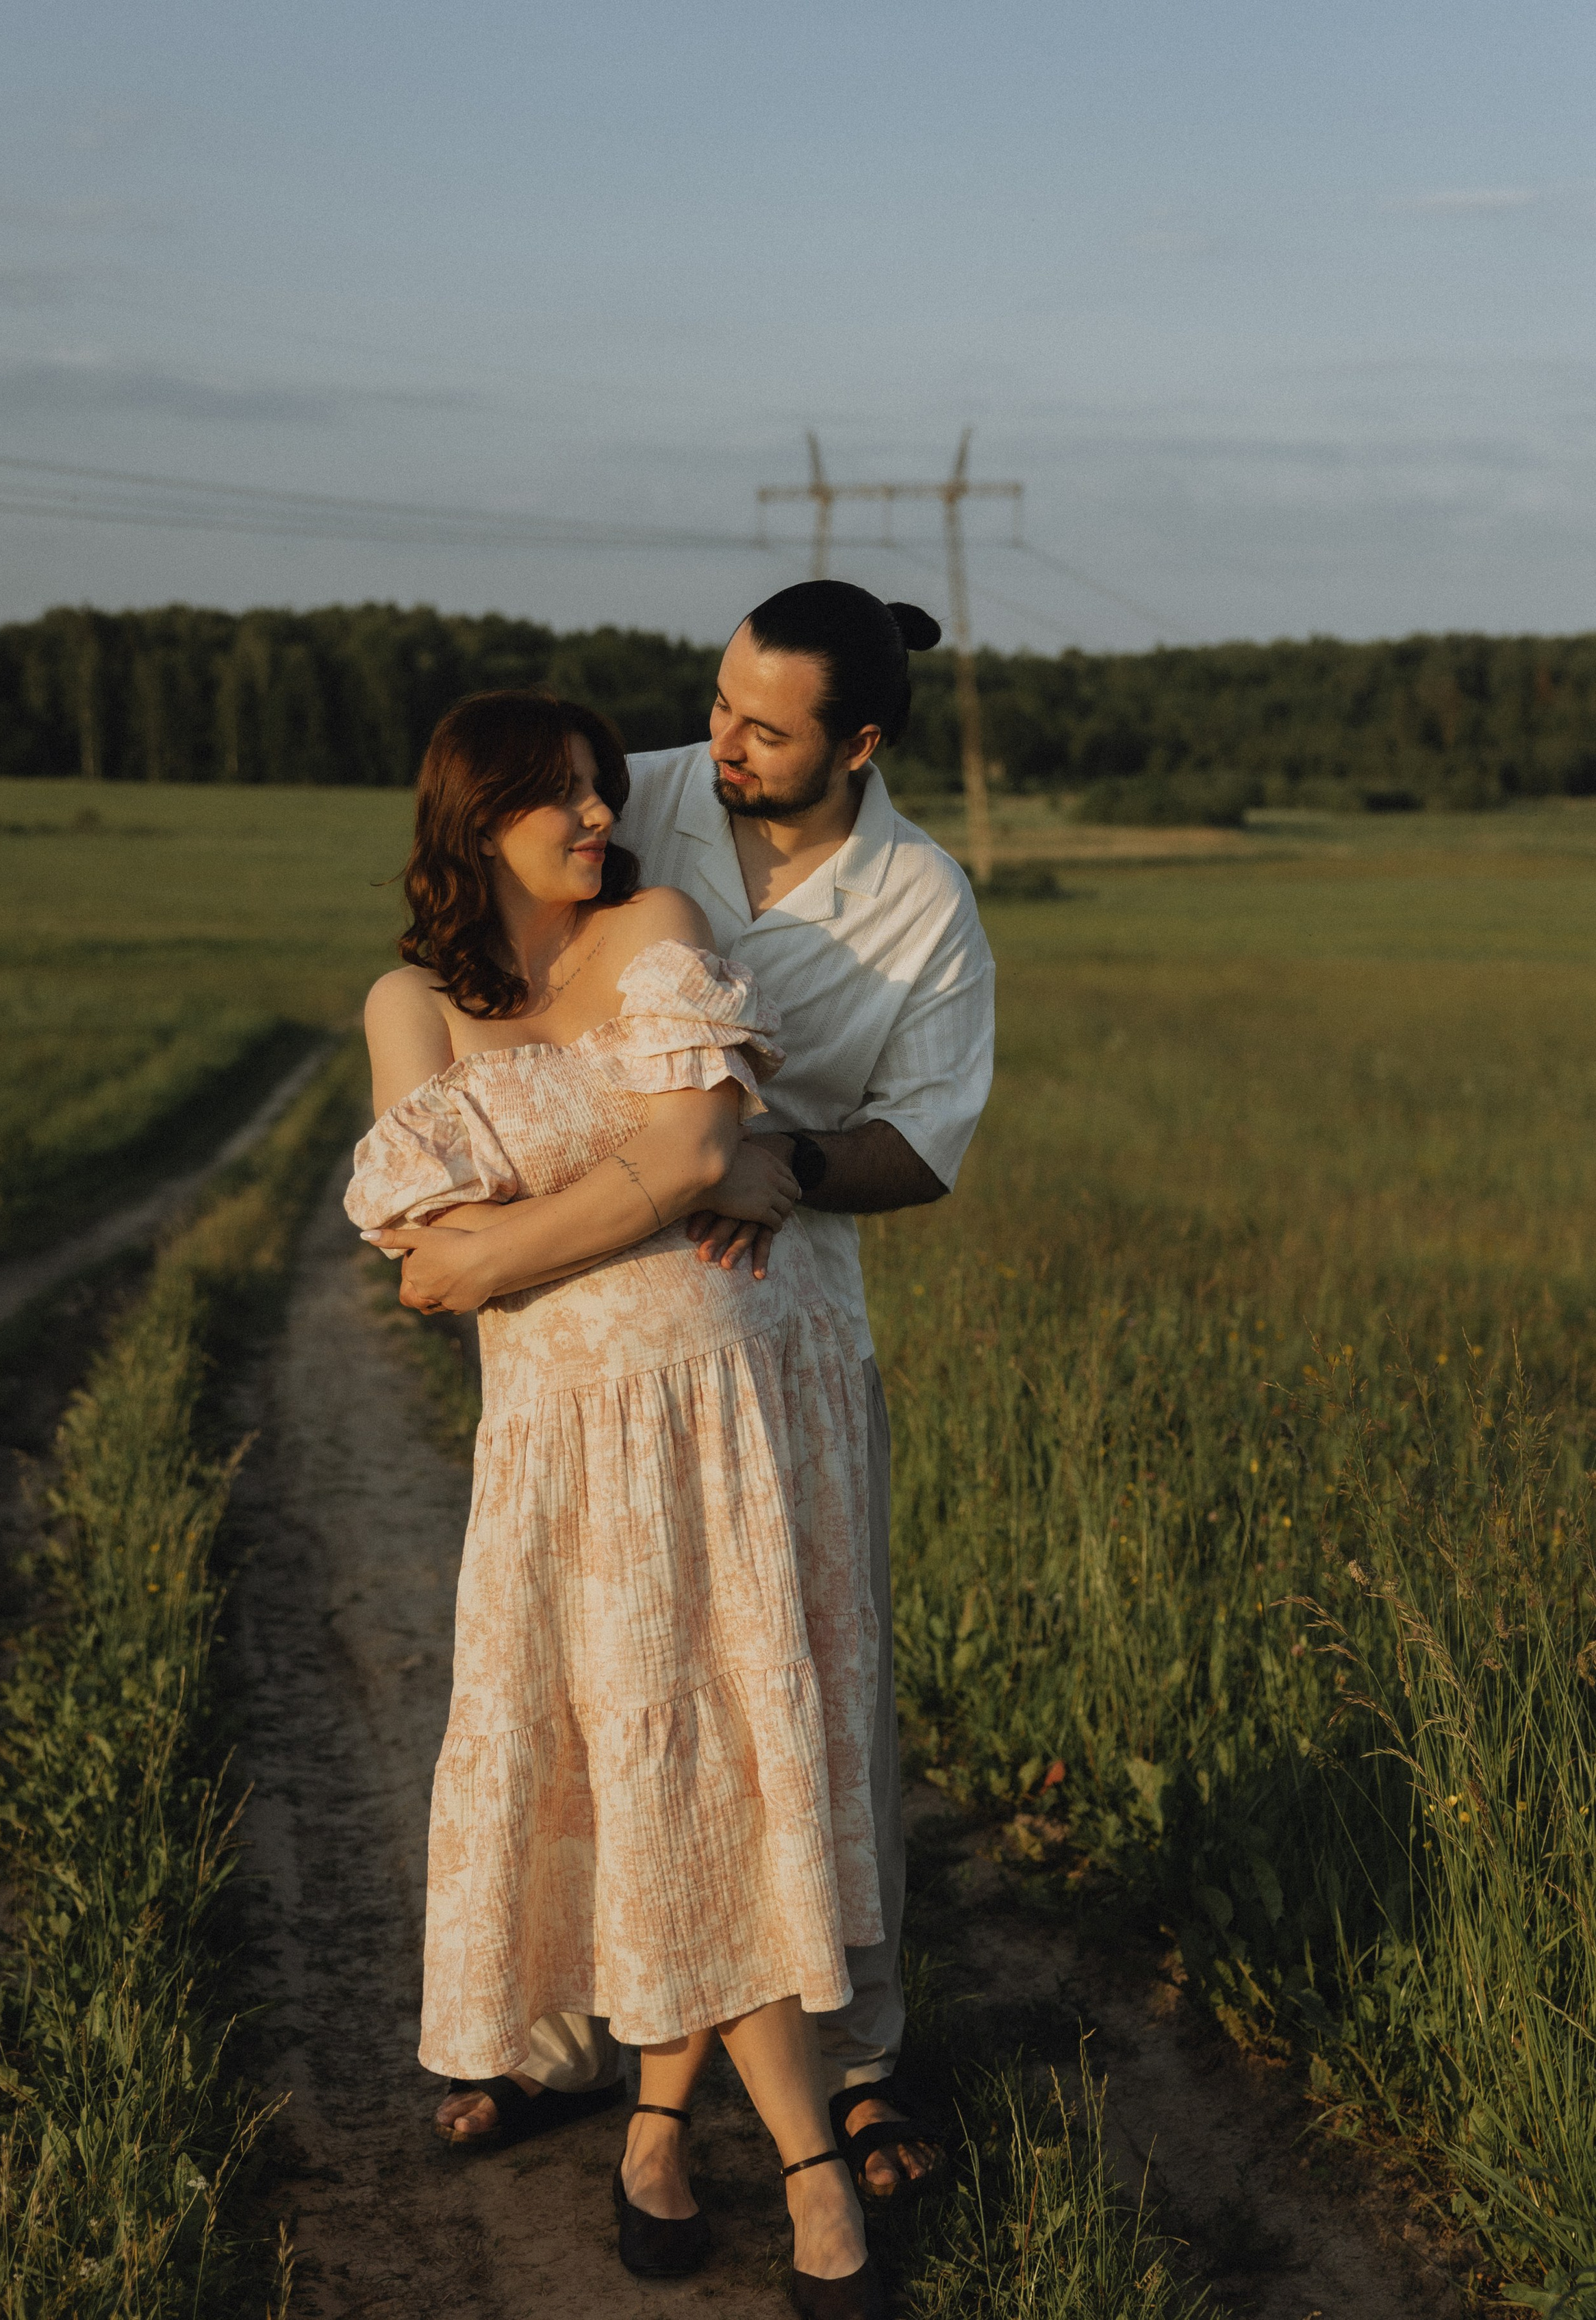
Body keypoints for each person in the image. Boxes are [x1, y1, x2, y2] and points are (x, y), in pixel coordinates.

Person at [416, 583, 998, 2203]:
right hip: (577, 1304)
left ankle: (854, 2054)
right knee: (568, 1671)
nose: (718, 740)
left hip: (778, 1321)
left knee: (790, 1682)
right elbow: (481, 968)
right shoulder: (636, 797)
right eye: (720, 700)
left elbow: (925, 1140)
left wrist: (776, 1164)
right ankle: (550, 2032)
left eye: (763, 724)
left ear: (858, 744)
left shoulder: (922, 903)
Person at [351, 689, 891, 2315]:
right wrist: (656, 1176)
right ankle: (737, 2144)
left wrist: (544, 1222)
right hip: (562, 1435)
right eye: (562, 800)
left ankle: (699, 2141)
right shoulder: (410, 1004)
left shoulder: (656, 923)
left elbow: (627, 1181)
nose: (603, 820)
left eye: (599, 790)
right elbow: (419, 1257)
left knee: (717, 1750)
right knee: (642, 1760)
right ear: (475, 821)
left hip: (721, 1404)